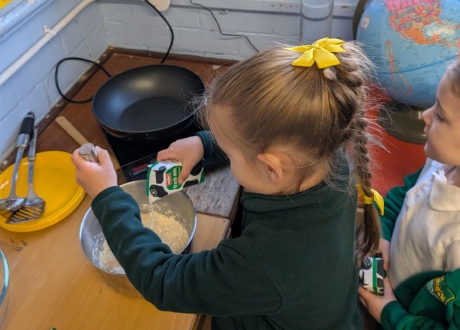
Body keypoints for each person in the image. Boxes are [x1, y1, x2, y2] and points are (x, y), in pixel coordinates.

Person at [72, 37, 382, 329]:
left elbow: (161, 280)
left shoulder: (264, 262)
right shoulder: (330, 160)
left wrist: (106, 195)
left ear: (271, 168)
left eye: (228, 152)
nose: (226, 154)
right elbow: (257, 144)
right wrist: (203, 144)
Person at [358, 60, 460, 328]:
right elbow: (403, 197)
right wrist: (381, 236)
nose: (426, 115)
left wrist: (388, 312)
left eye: (441, 116)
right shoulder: (441, 162)